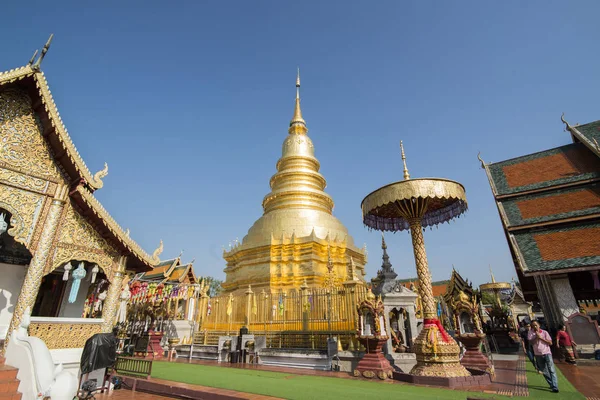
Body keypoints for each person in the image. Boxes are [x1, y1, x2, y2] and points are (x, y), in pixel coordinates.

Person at [528, 321, 559, 393]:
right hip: (538, 354)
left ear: (539, 325)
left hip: (547, 353)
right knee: (545, 371)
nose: (535, 327)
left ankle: (555, 386)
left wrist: (541, 338)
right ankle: (551, 384)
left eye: (536, 325)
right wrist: (536, 337)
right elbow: (531, 343)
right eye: (533, 326)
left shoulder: (545, 332)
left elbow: (550, 343)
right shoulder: (530, 333)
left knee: (551, 369)